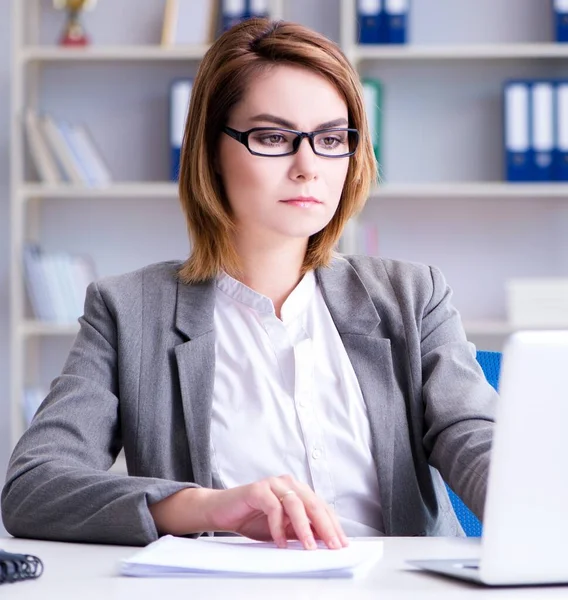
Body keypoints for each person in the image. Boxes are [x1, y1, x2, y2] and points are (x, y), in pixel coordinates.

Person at [1, 18, 497, 549]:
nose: (308, 166)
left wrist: (537, 501)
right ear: (211, 152)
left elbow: (473, 438)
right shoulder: (129, 311)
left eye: (331, 138)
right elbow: (34, 487)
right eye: (273, 137)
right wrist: (205, 507)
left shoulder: (412, 295)